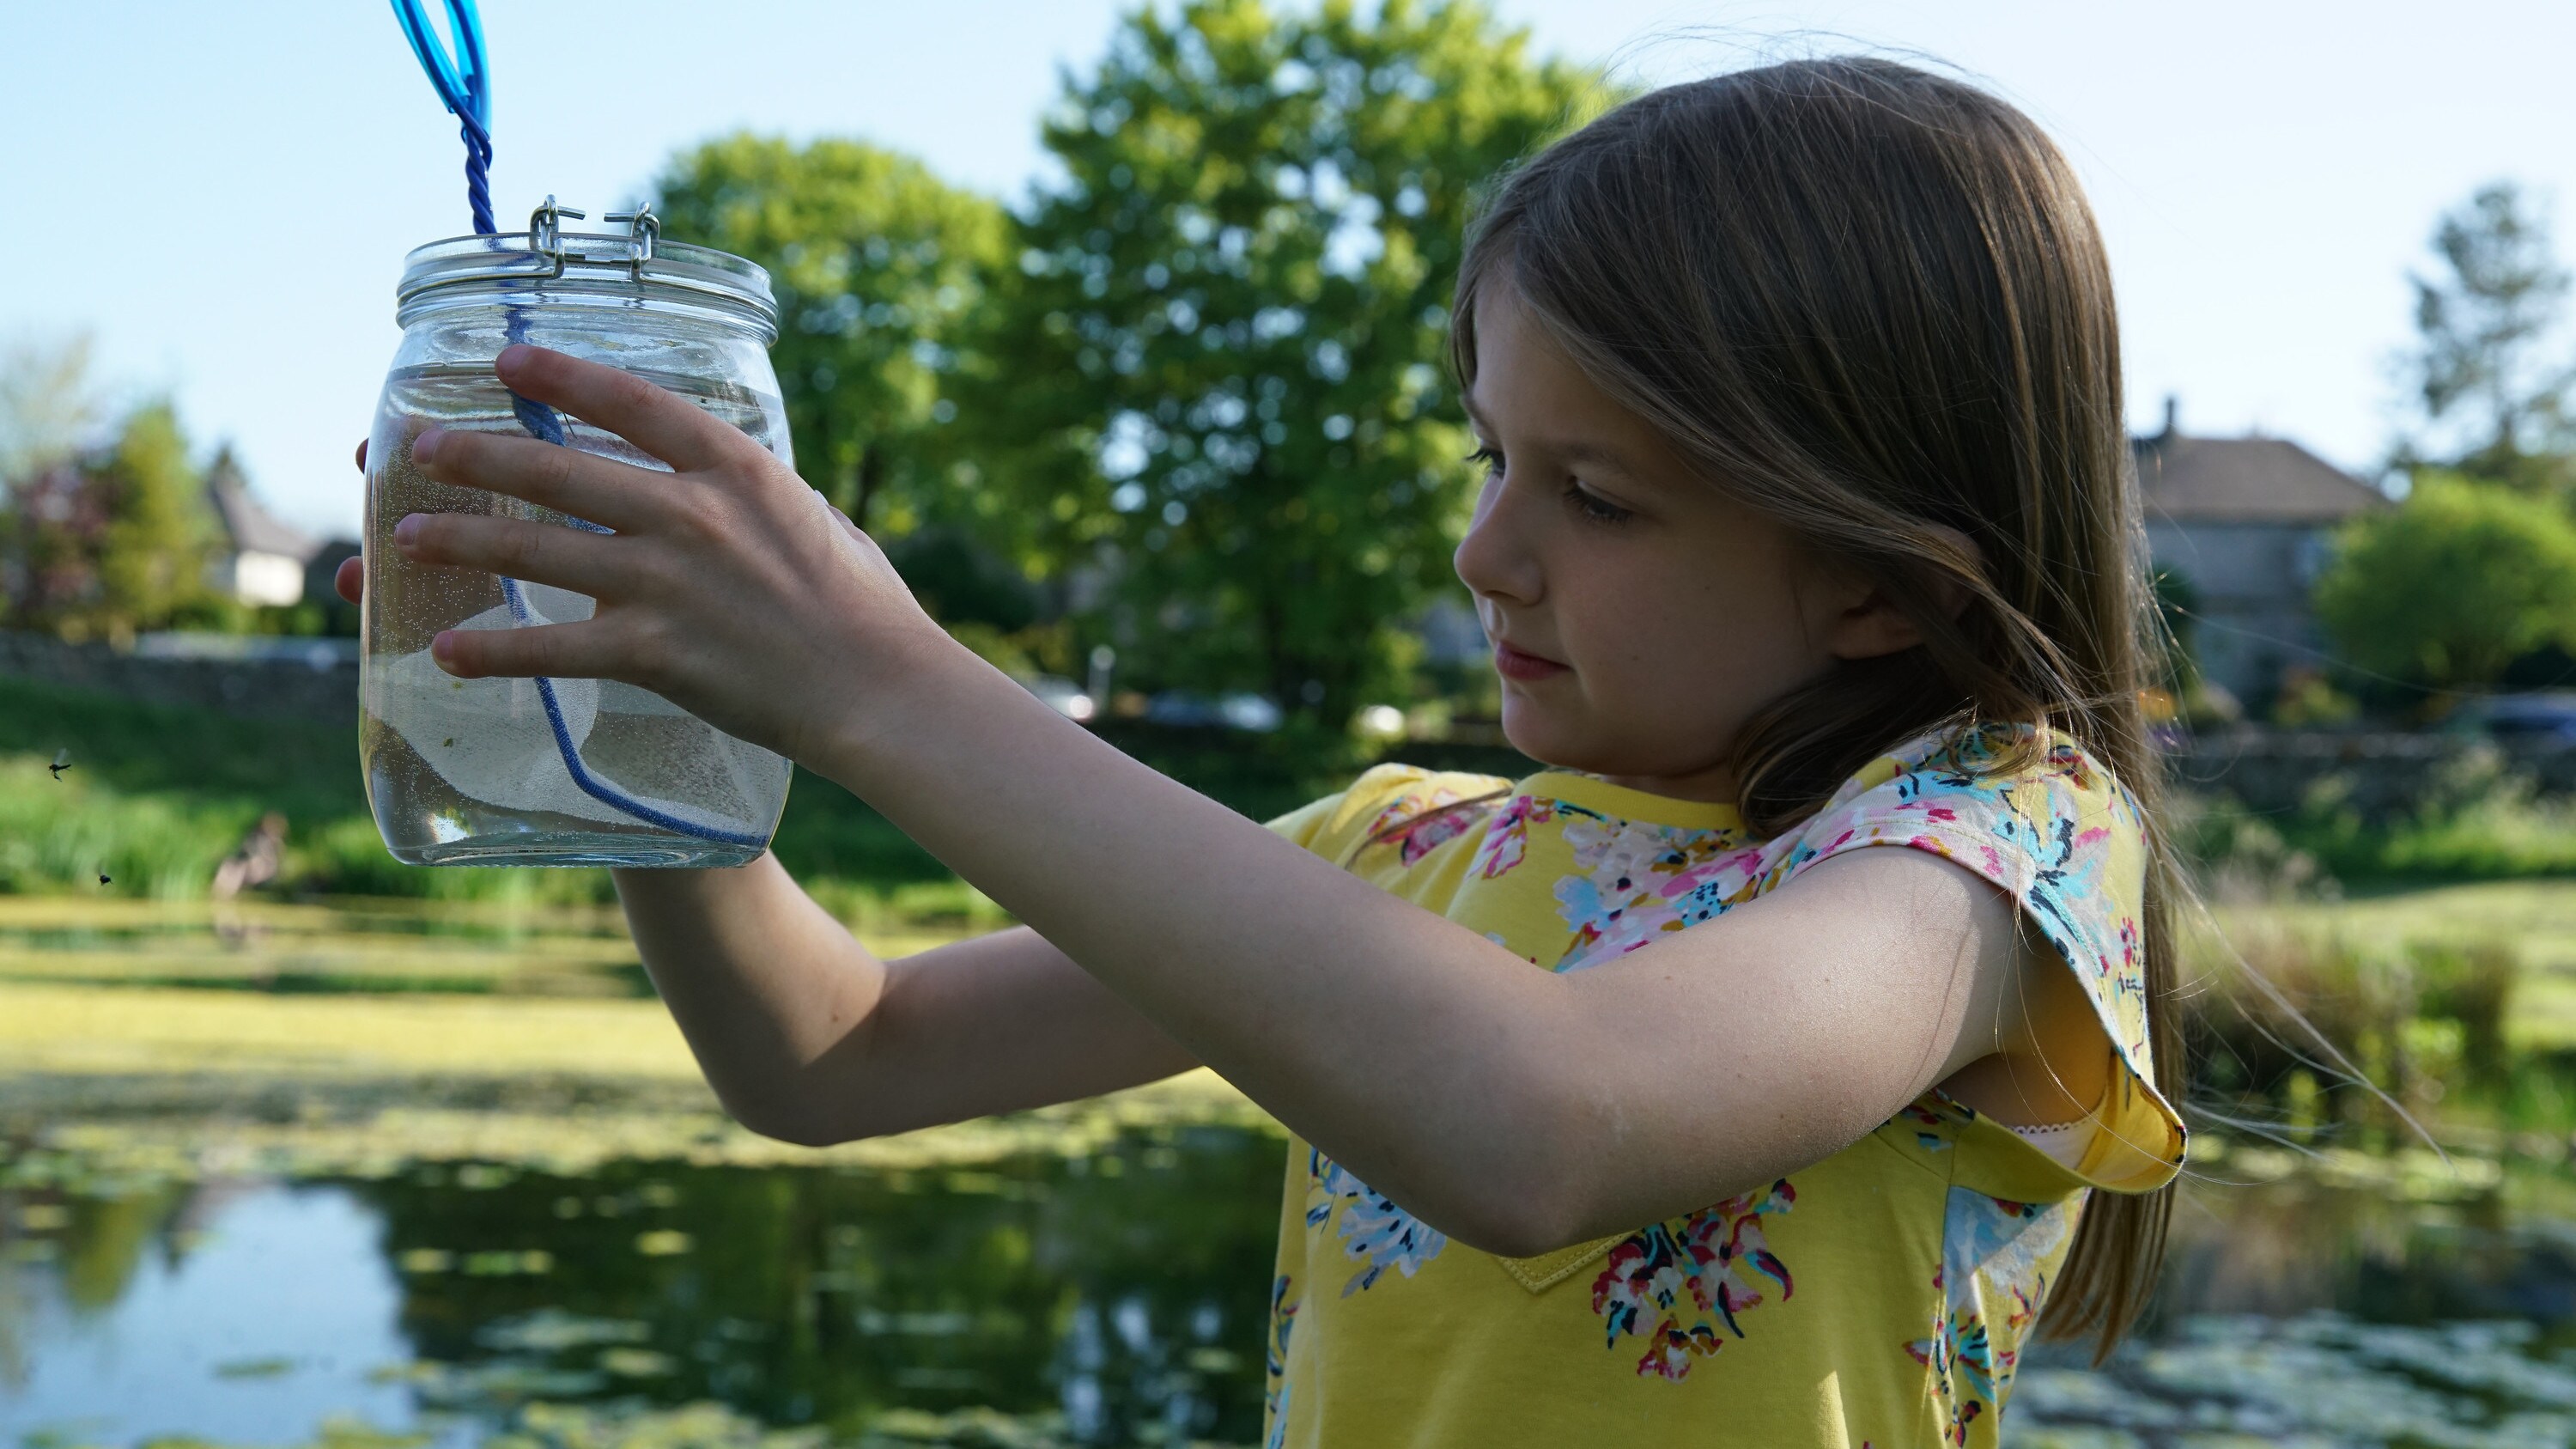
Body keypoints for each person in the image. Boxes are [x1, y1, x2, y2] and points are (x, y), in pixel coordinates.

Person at [338, 57, 2186, 1448]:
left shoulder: (1989, 863)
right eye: (1493, 457)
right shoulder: (1401, 851)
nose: (1487, 553)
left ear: (1878, 576)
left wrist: (881, 683)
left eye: (1598, 495)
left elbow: (1544, 1123)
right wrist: (650, 723)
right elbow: (834, 1053)